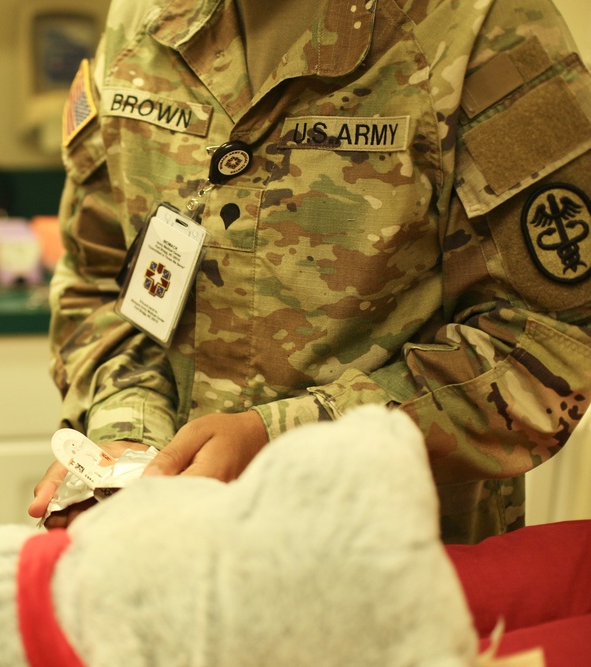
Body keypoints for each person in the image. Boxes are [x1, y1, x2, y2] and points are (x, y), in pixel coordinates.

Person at [29, 0, 591, 542]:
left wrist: (285, 439)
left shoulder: (481, 23)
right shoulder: (141, 19)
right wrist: (130, 445)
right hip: (166, 563)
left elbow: (553, 343)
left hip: (390, 572)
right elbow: (100, 279)